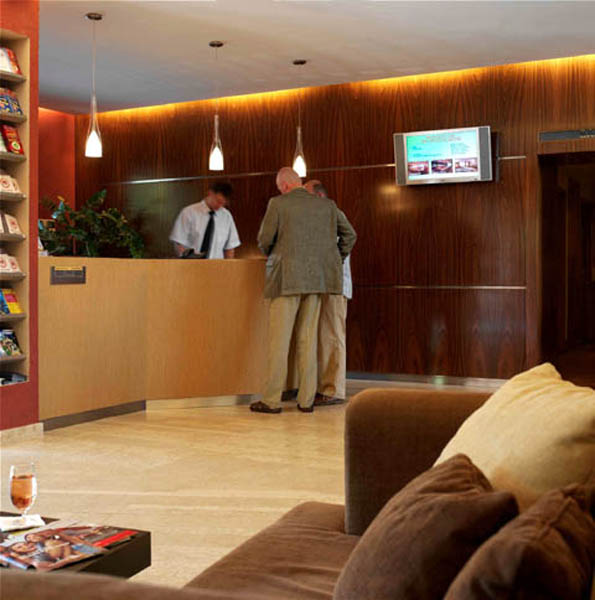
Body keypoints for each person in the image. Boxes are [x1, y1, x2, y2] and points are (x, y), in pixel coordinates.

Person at [252, 167, 356, 414]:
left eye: (280, 188)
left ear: (285, 186)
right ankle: (307, 400)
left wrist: (275, 254)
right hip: (316, 281)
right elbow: (350, 235)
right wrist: (334, 260)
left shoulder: (278, 204)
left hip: (285, 279)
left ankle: (272, 400)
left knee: (279, 342)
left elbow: (264, 240)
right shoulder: (327, 206)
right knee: (308, 341)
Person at [284, 179, 352, 406]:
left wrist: (333, 262)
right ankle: (316, 386)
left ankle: (333, 390)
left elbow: (346, 239)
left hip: (334, 285)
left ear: (319, 197)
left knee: (331, 336)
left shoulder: (332, 214)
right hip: (318, 283)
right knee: (318, 336)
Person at [169, 181, 240, 259]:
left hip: (217, 264)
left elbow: (230, 247)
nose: (220, 206)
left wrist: (229, 265)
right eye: (218, 201)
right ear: (210, 193)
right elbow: (179, 242)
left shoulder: (226, 216)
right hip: (191, 263)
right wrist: (187, 260)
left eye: (223, 204)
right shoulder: (188, 212)